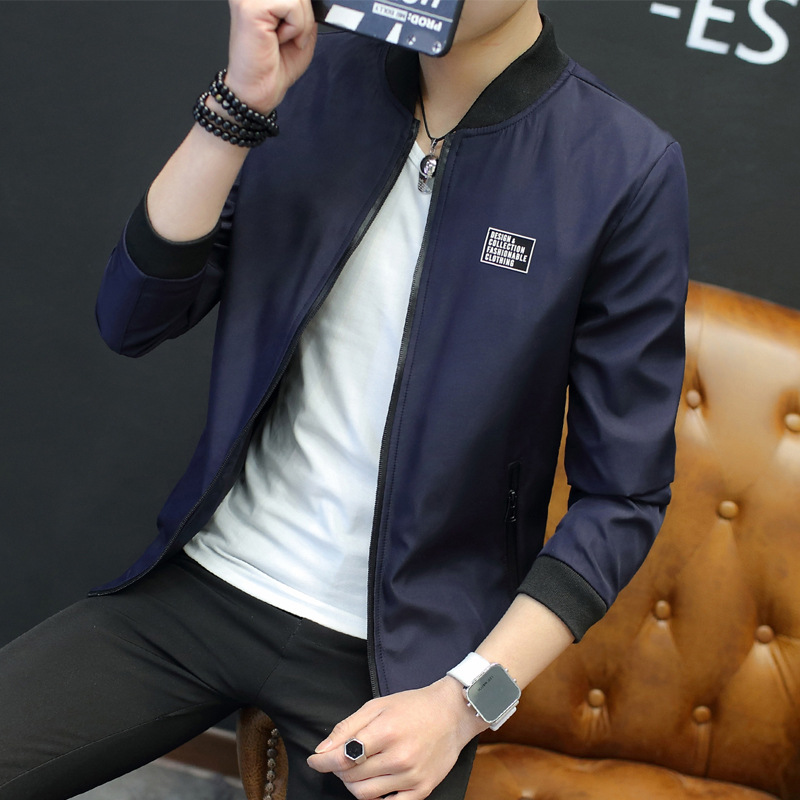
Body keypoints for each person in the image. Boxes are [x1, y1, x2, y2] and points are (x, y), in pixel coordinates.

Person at [0, 0, 689, 798]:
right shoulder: (315, 76)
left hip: (403, 667)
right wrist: (239, 106)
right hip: (202, 587)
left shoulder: (621, 166)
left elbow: (623, 498)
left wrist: (466, 703)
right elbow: (131, 316)